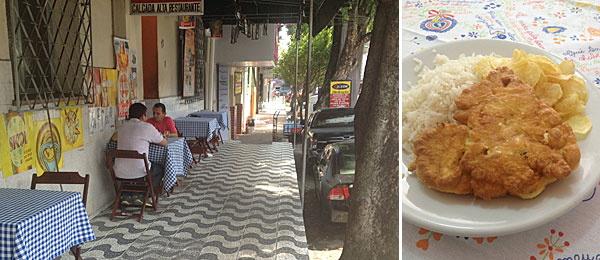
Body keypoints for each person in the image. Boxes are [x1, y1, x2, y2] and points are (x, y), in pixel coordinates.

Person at [114, 103, 167, 206]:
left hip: (119, 172)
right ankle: (144, 195)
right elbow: (163, 142)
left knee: (132, 169)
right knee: (159, 169)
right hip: (140, 171)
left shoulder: (121, 127)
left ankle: (126, 195)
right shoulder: (147, 127)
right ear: (143, 115)